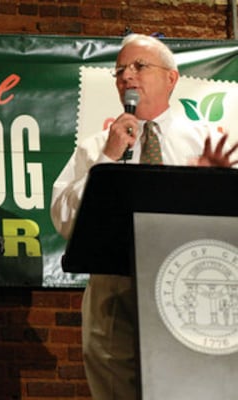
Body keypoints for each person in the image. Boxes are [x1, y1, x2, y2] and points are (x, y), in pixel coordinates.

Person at [50, 34, 237, 399]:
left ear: (171, 78)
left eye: (139, 66)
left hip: (189, 300)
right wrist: (108, 156)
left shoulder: (207, 141)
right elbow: (65, 220)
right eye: (120, 70)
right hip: (115, 300)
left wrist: (216, 183)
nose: (126, 77)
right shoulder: (96, 145)